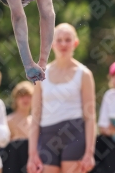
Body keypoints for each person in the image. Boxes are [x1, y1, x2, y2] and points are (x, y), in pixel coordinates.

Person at [27, 23, 96, 173]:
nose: (63, 44)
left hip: (74, 135)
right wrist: (32, 154)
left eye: (67, 39)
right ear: (51, 43)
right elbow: (35, 116)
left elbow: (90, 117)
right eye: (59, 40)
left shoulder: (84, 74)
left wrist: (89, 153)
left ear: (75, 43)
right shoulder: (41, 74)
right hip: (47, 137)